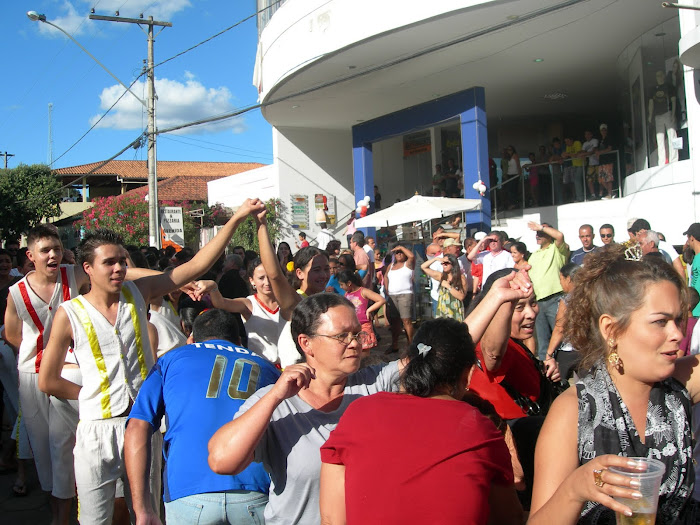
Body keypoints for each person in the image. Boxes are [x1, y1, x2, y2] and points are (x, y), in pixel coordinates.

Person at [208, 272, 536, 525]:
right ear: (306, 343)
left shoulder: (374, 385)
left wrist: (495, 297)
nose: (357, 342)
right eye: (341, 336)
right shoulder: (277, 402)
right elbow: (223, 461)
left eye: (357, 332)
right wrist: (277, 394)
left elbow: (442, 353)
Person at [38, 198, 266, 524]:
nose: (118, 268)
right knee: (94, 518)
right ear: (87, 268)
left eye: (121, 261)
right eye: (109, 263)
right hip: (95, 431)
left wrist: (237, 216)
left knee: (146, 513)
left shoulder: (139, 292)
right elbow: (47, 381)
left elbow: (197, 264)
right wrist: (91, 395)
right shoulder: (69, 313)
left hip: (143, 425)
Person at [529, 245, 700, 524]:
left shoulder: (678, 386)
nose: (677, 334)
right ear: (611, 330)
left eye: (679, 320)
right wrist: (575, 489)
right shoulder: (574, 410)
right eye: (660, 322)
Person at [319, 318, 523, 525]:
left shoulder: (358, 413)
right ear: (468, 375)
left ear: (409, 362)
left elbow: (331, 519)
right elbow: (510, 517)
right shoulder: (480, 428)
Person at [124, 309, 280, 525]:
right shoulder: (269, 369)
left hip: (188, 490)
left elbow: (137, 427)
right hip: (254, 489)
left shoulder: (170, 359)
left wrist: (143, 508)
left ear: (191, 339)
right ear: (238, 341)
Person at [468, 268, 561, 508]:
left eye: (533, 303)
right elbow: (493, 355)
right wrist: (503, 299)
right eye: (518, 307)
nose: (530, 314)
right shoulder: (487, 343)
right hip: (517, 454)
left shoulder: (516, 343)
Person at [255, 206, 331, 367]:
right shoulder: (295, 301)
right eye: (316, 270)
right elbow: (275, 274)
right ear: (299, 273)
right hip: (296, 380)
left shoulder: (325, 300)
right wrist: (262, 226)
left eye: (326, 269)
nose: (324, 275)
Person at [199, 258, 284, 364]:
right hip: (262, 366)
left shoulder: (287, 302)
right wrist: (213, 287)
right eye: (261, 278)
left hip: (291, 366)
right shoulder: (249, 304)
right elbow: (221, 303)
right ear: (252, 280)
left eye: (270, 277)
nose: (267, 282)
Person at [526, 221, 570, 360]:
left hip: (554, 299)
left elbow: (559, 235)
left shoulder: (557, 249)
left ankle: (562, 370)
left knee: (561, 337)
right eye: (537, 234)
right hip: (538, 301)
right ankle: (546, 371)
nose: (538, 236)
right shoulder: (534, 255)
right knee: (543, 339)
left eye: (541, 233)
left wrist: (541, 227)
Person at [545, 262, 581, 380]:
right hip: (587, 350)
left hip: (568, 351)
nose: (560, 283)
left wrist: (549, 353)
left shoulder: (567, 301)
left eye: (561, 279)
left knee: (558, 385)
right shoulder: (590, 296)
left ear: (569, 279)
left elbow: (560, 328)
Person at [336, 270, 385, 354]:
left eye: (341, 284)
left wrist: (369, 310)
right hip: (353, 326)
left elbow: (381, 300)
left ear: (349, 283)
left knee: (364, 350)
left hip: (364, 325)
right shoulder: (347, 294)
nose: (340, 287)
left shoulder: (363, 291)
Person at [384, 244, 415, 352]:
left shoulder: (408, 264)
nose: (399, 254)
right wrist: (387, 289)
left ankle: (411, 345)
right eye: (397, 253)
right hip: (392, 296)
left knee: (406, 320)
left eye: (401, 252)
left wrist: (401, 247)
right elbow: (386, 276)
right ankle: (394, 344)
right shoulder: (391, 266)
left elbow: (411, 256)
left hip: (405, 295)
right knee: (394, 321)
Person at [421, 254, 467, 321]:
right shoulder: (441, 276)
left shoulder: (461, 278)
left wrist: (448, 287)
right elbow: (423, 267)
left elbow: (461, 296)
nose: (444, 265)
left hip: (455, 311)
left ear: (453, 264)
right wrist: (435, 259)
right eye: (442, 263)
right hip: (443, 310)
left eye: (446, 263)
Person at [595, 124, 616, 199]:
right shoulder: (600, 140)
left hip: (608, 160)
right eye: (602, 130)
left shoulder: (608, 138)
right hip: (601, 161)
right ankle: (612, 192)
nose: (603, 131)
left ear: (606, 131)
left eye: (604, 130)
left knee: (608, 178)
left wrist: (600, 152)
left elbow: (609, 148)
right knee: (601, 180)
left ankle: (610, 194)